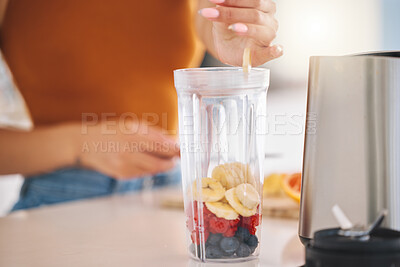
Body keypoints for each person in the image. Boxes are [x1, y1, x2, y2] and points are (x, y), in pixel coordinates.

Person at [0, 0, 282, 211]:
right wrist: (81, 144)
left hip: (173, 193)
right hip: (63, 199)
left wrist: (232, 23)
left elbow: (208, 19)